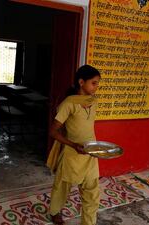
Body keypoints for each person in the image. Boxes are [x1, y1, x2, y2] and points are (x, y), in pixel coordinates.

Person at [46, 65, 101, 225]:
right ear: (81, 82)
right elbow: (53, 131)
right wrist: (73, 144)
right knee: (62, 187)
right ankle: (55, 211)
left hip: (91, 153)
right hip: (72, 154)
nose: (96, 87)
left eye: (98, 84)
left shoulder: (93, 101)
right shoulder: (68, 103)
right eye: (94, 83)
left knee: (92, 194)